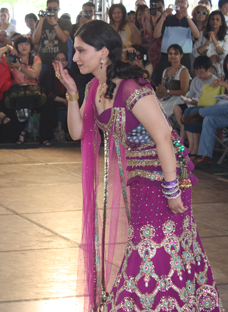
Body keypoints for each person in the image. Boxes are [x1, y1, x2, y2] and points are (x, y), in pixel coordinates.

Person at [53, 19, 225, 312]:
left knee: (155, 247)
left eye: (82, 51)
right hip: (140, 177)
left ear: (104, 52)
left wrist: (172, 189)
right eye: (76, 51)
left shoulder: (132, 87)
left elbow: (163, 138)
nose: (75, 57)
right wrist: (72, 92)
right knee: (155, 247)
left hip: (164, 175)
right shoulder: (96, 87)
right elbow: (77, 131)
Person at [0, 35, 42, 144]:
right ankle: (21, 132)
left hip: (32, 93)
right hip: (15, 94)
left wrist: (19, 67)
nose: (24, 47)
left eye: (26, 44)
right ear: (17, 46)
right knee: (3, 104)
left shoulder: (35, 58)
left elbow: (34, 74)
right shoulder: (12, 58)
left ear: (31, 46)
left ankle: (44, 137)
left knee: (48, 104)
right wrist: (8, 48)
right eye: (20, 44)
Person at [176, 56, 216, 155]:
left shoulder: (214, 81)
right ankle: (191, 145)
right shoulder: (195, 80)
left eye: (201, 72)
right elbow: (191, 94)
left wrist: (195, 102)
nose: (199, 75)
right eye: (196, 72)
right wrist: (187, 98)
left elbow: (211, 100)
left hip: (207, 106)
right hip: (194, 105)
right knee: (187, 112)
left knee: (192, 113)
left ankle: (195, 147)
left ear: (209, 69)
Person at [39, 51, 79, 143]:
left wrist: (70, 100)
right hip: (53, 99)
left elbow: (76, 90)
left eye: (63, 60)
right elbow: (49, 93)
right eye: (57, 59)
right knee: (48, 106)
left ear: (67, 62)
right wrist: (64, 101)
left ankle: (72, 134)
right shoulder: (48, 73)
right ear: (53, 61)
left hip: (68, 98)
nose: (60, 62)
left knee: (79, 105)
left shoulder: (71, 73)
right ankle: (47, 137)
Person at [154, 0, 200, 76]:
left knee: (183, 82)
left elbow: (196, 35)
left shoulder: (192, 21)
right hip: (167, 56)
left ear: (187, 5)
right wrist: (163, 16)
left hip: (184, 57)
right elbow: (156, 35)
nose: (180, 4)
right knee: (164, 81)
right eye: (177, 2)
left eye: (182, 2)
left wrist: (187, 17)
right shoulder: (167, 20)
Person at [33, 0, 72, 76]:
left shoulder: (65, 22)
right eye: (50, 9)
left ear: (59, 9)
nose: (52, 11)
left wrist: (54, 23)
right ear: (46, 9)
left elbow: (64, 39)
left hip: (60, 62)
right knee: (44, 85)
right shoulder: (40, 22)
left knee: (60, 85)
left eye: (55, 9)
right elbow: (36, 40)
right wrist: (41, 21)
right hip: (44, 61)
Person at [156, 44, 190, 117]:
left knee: (159, 110)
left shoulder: (183, 70)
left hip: (179, 99)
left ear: (181, 56)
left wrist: (166, 91)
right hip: (166, 98)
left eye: (176, 54)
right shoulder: (166, 70)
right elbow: (162, 91)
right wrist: (158, 92)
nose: (172, 56)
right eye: (170, 53)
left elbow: (184, 91)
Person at [193, 10, 228, 77]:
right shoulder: (202, 35)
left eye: (217, 19)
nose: (214, 21)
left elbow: (224, 56)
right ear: (209, 21)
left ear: (221, 23)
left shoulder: (226, 37)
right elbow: (195, 53)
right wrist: (208, 42)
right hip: (203, 71)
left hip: (219, 72)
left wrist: (214, 40)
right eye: (212, 19)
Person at [143, 0, 165, 85]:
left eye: (160, 8)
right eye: (155, 8)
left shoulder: (167, 17)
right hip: (154, 55)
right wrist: (148, 20)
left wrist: (160, 19)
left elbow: (159, 36)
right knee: (154, 81)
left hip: (166, 53)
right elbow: (150, 38)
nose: (157, 10)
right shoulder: (147, 17)